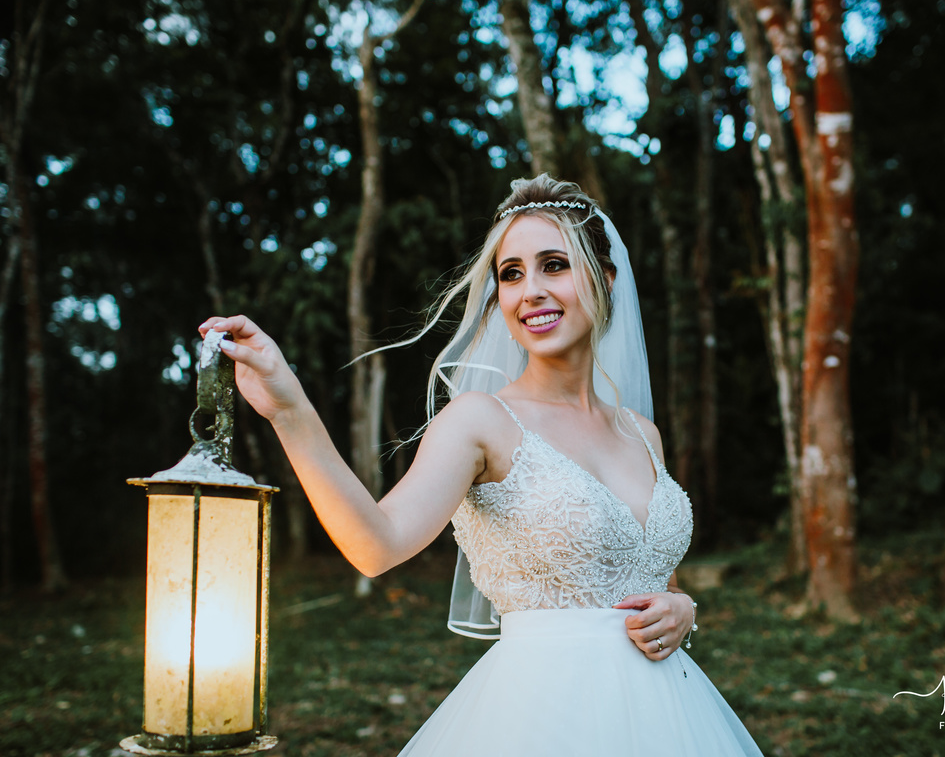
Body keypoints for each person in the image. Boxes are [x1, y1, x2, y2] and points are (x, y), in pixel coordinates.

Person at [199, 175, 763, 756]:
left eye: (554, 265)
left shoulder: (643, 434)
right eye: (511, 274)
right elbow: (375, 545)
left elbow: (649, 581)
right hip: (543, 717)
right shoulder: (480, 422)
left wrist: (682, 607)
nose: (531, 292)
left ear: (607, 279)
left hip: (669, 719)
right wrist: (289, 410)